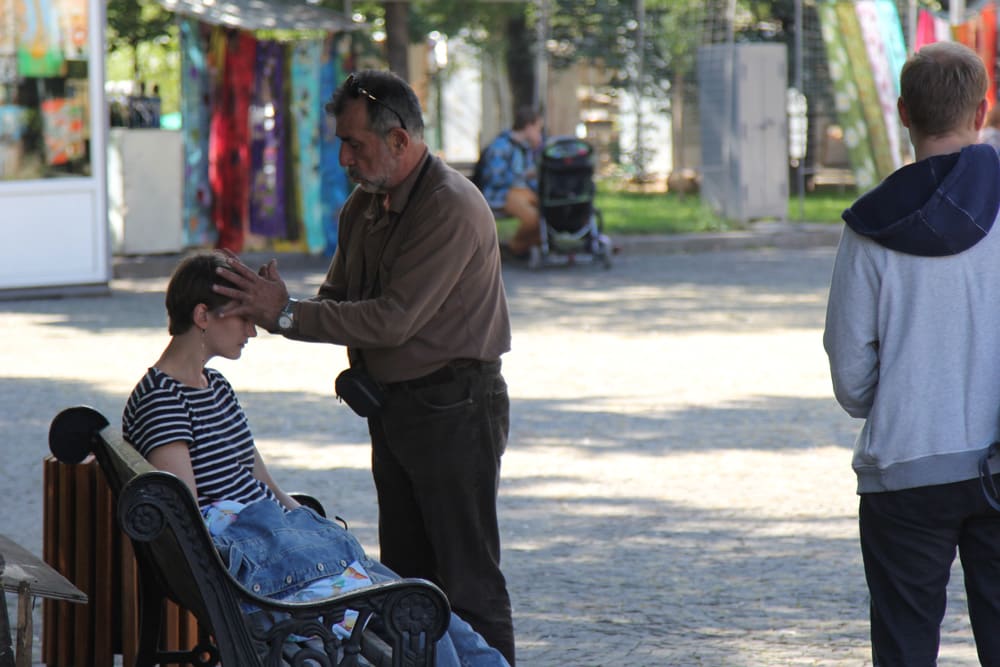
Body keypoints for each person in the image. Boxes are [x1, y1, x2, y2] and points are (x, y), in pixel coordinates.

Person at [212, 69, 517, 665]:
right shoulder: (366, 204)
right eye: (342, 143)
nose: (344, 158)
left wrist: (285, 313)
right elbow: (339, 300)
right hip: (396, 406)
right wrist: (276, 308)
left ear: (399, 140)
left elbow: (392, 320)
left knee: (467, 578)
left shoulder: (449, 205)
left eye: (355, 144)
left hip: (456, 406)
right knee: (406, 580)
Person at [121, 251, 509, 667]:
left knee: (443, 621)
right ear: (202, 315)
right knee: (422, 626)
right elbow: (191, 521)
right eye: (243, 317)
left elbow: (262, 481)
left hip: (285, 544)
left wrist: (312, 527)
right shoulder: (164, 399)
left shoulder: (213, 385)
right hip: (265, 564)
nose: (253, 330)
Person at [823, 41, 1000, 667]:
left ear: (903, 112)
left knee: (903, 646)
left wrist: (904, 392)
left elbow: (850, 372)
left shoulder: (869, 227)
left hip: (904, 467)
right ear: (982, 111)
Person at [474, 106, 544, 259]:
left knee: (548, 213)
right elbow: (495, 178)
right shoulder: (500, 146)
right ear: (528, 127)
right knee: (533, 219)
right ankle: (514, 248)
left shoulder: (525, 148)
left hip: (522, 192)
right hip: (502, 194)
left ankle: (518, 248)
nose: (539, 134)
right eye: (538, 129)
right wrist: (523, 175)